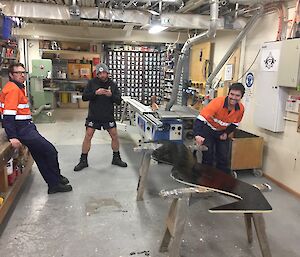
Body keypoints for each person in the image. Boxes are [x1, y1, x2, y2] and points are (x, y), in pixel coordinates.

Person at [0, 63, 72, 194]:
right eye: (18, 73)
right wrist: (12, 137)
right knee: (50, 151)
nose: (22, 75)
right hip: (22, 130)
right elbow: (8, 116)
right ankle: (56, 180)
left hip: (26, 127)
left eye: (23, 72)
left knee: (40, 155)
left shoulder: (17, 88)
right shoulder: (13, 90)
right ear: (11, 75)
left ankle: (54, 183)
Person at [74, 63, 127, 171]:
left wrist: (111, 95)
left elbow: (118, 101)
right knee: (88, 136)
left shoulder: (113, 84)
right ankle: (83, 160)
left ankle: (116, 158)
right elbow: (84, 97)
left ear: (108, 73)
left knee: (114, 136)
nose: (102, 75)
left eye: (104, 73)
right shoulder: (91, 83)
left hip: (108, 115)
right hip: (94, 115)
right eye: (100, 73)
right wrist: (95, 93)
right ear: (97, 74)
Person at [193, 83, 245, 174]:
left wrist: (226, 133)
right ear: (228, 94)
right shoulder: (217, 103)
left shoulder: (240, 109)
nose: (233, 97)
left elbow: (235, 124)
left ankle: (222, 179)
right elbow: (200, 120)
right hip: (208, 130)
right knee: (208, 156)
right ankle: (206, 178)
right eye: (232, 94)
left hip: (221, 132)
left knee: (223, 157)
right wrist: (198, 135)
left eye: (237, 95)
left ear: (241, 97)